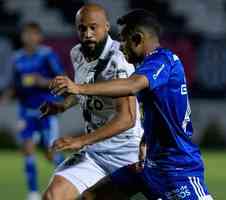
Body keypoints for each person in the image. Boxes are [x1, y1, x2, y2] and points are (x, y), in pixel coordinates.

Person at [51, 9, 214, 200]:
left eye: (124, 39)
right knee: (92, 196)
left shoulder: (162, 60)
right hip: (150, 166)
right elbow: (159, 112)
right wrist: (146, 139)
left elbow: (132, 85)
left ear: (137, 39)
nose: (121, 47)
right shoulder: (149, 66)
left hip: (177, 168)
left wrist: (78, 88)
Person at [41, 4, 144, 200]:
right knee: (53, 196)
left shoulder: (119, 59)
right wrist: (62, 106)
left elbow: (127, 119)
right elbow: (85, 89)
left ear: (106, 27)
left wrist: (79, 140)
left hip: (127, 154)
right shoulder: (76, 53)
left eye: (93, 27)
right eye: (82, 28)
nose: (87, 33)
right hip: (95, 152)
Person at [3, 22, 65, 200]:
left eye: (33, 34)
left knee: (50, 152)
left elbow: (61, 79)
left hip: (46, 110)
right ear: (22, 37)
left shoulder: (47, 55)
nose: (29, 38)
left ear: (39, 36)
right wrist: (6, 96)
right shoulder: (17, 57)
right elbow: (14, 85)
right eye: (26, 34)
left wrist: (42, 81)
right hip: (26, 111)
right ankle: (32, 193)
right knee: (27, 149)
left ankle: (70, 176)